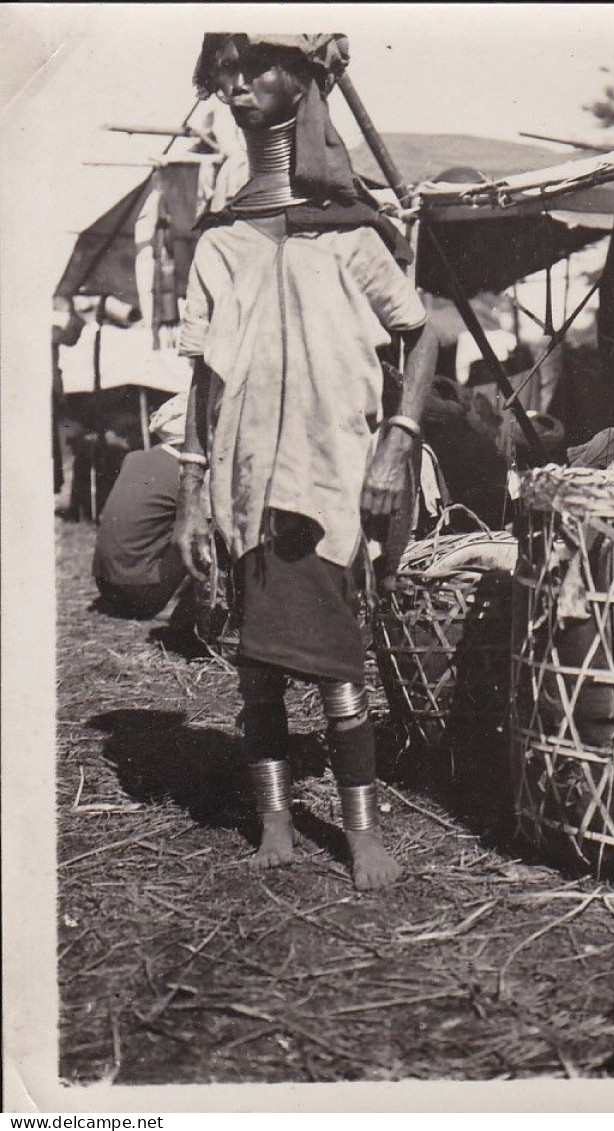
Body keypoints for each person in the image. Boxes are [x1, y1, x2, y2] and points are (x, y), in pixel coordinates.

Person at [173, 33, 438, 890]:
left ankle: (360, 835)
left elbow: (421, 329)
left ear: (306, 81)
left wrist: (398, 436)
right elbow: (201, 373)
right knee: (257, 671)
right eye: (228, 76)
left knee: (335, 672)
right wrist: (189, 491)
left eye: (256, 69)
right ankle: (276, 823)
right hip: (242, 481)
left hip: (332, 478)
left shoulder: (351, 232)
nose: (238, 86)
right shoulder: (221, 239)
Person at [93, 393, 190, 619]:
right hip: (143, 596)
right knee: (198, 529)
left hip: (106, 586)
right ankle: (178, 607)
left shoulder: (134, 458)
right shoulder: (184, 474)